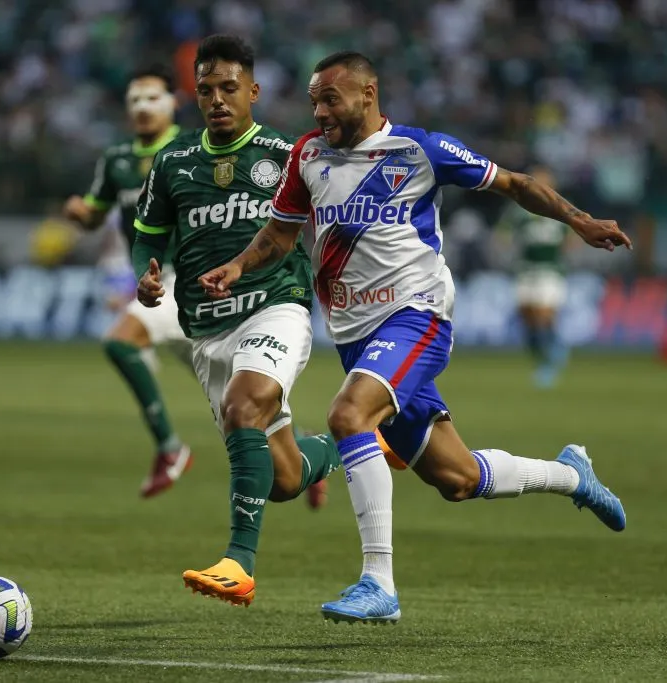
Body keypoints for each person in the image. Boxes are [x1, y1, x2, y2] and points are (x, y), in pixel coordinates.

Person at [199, 51, 631, 624]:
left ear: (368, 93)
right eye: (313, 101)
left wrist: (579, 220)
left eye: (331, 98)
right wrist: (235, 267)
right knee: (457, 478)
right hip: (356, 337)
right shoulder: (308, 156)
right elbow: (279, 237)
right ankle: (573, 474)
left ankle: (378, 583)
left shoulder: (418, 149)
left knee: (349, 417)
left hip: (417, 317)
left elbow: (514, 184)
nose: (320, 111)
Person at [133, 35, 357, 607]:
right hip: (207, 330)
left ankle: (239, 562)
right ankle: (363, 440)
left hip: (275, 307)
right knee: (282, 479)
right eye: (205, 90)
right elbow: (149, 238)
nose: (217, 99)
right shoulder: (174, 162)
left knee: (242, 404)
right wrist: (148, 275)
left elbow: (338, 214)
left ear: (252, 91)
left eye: (228, 88)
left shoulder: (288, 154)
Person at [63, 64, 193, 498]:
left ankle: (170, 448)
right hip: (154, 284)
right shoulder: (116, 159)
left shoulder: (192, 149)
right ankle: (313, 449)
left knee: (120, 341)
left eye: (153, 98)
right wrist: (81, 213)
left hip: (190, 281)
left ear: (174, 103)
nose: (143, 108)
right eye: (135, 100)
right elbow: (96, 213)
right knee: (242, 406)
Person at [494, 164, 580, 387]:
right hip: (526, 270)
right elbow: (503, 233)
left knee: (544, 316)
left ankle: (551, 360)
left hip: (550, 271)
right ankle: (544, 356)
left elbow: (572, 238)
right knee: (528, 319)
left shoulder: (561, 208)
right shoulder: (519, 210)